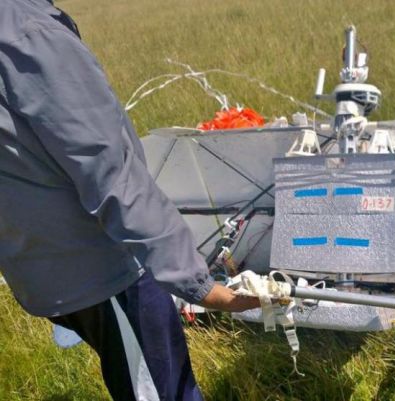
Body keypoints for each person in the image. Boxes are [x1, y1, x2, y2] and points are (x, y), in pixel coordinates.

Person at [0, 1, 261, 400]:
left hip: (41, 263)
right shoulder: (32, 34)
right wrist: (199, 284)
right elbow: (109, 171)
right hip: (104, 268)